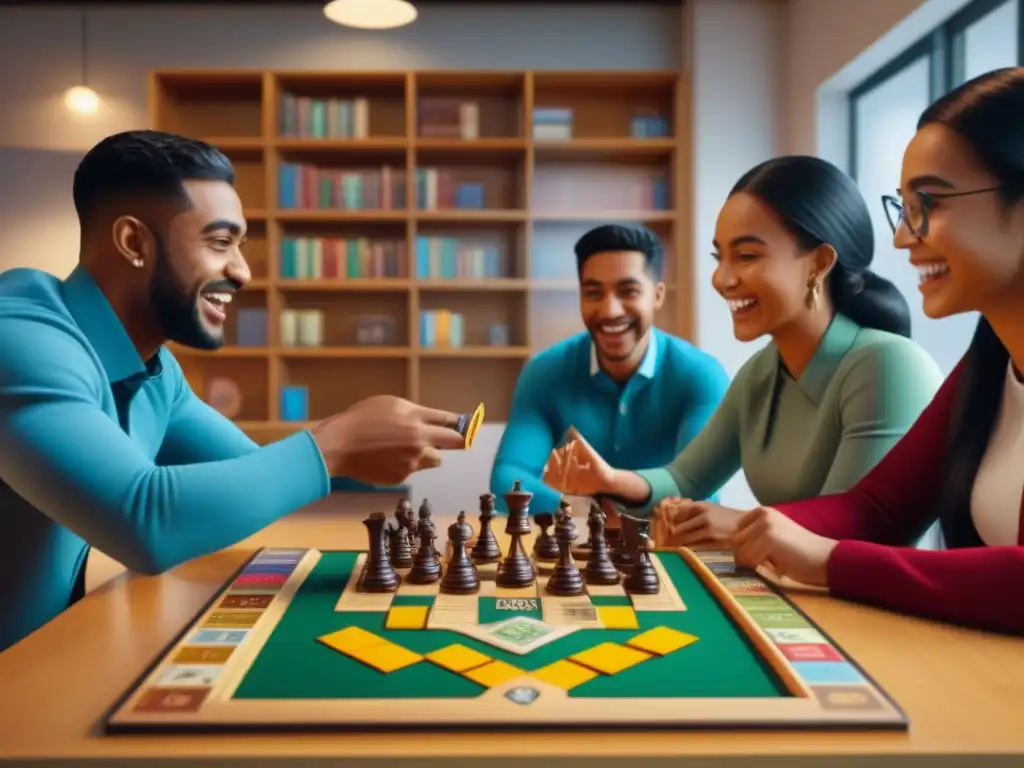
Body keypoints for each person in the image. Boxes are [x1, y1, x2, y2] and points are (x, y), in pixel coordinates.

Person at [0, 130, 466, 652]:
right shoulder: (17, 339)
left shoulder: (155, 371)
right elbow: (146, 524)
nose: (242, 272)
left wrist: (387, 448)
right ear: (134, 243)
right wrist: (338, 443)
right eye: (220, 242)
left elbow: (252, 470)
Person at [722, 68, 1024, 636]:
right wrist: (759, 527)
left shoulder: (888, 362)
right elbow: (879, 509)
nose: (903, 238)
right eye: (903, 207)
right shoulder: (990, 358)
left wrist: (832, 561)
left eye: (929, 203)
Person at [545, 156, 941, 544]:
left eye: (747, 256)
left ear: (819, 263)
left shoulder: (889, 366)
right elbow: (686, 479)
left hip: (867, 606)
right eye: (720, 257)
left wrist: (736, 524)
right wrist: (610, 480)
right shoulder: (761, 372)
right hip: (795, 593)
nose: (722, 279)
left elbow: (855, 525)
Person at [489, 223, 729, 513]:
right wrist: (583, 511)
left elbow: (701, 493)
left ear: (657, 295)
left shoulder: (701, 375)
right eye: (593, 293)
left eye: (628, 291)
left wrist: (606, 502)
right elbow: (507, 479)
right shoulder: (544, 372)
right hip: (579, 545)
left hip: (666, 548)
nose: (610, 310)